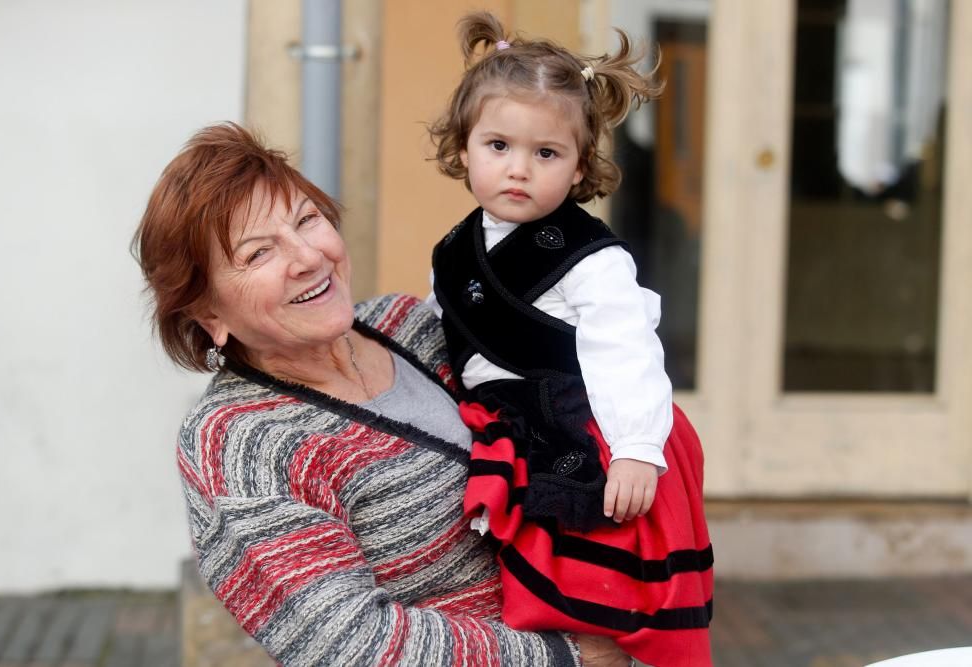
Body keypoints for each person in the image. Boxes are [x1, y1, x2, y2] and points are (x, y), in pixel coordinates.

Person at [133, 122, 634, 666]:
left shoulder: (409, 324)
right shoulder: (241, 441)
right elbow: (352, 646)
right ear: (209, 315)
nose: (307, 257)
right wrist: (565, 659)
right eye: (258, 254)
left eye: (307, 219)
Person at [427, 12, 713, 666]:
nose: (518, 169)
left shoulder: (592, 258)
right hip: (507, 423)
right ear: (462, 147)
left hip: (592, 429)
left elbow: (627, 351)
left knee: (602, 600)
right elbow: (443, 328)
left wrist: (638, 448)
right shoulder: (452, 250)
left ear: (580, 164)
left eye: (546, 153)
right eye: (498, 146)